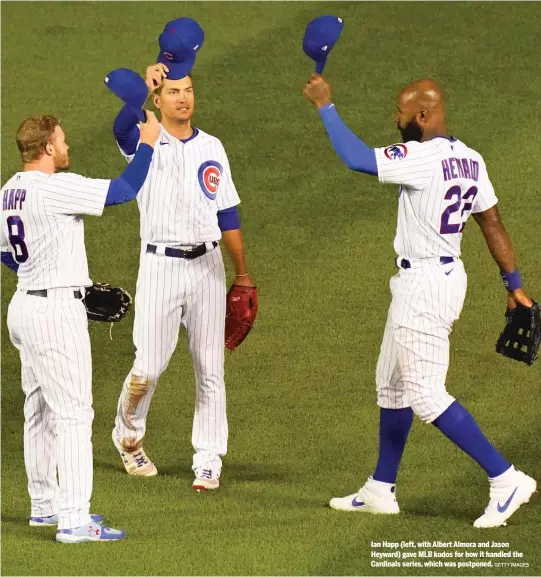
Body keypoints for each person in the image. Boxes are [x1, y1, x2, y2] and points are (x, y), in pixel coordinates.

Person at [302, 74, 537, 528]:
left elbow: (355, 159)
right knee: (391, 384)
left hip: (425, 285)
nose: (395, 118)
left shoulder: (420, 157)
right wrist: (514, 283)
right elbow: (491, 222)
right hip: (441, 277)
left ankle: (506, 478)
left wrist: (325, 105)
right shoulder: (470, 159)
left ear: (423, 116)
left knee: (426, 394)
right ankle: (380, 489)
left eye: (401, 112)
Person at [1, 110, 161, 542]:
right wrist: (147, 141)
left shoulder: (8, 192)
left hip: (23, 307)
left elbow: (6, 255)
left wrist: (46, 271)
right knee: (74, 416)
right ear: (48, 147)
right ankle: (74, 520)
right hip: (53, 315)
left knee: (38, 411)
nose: (68, 147)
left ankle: (44, 507)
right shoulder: (54, 187)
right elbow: (124, 190)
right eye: (63, 141)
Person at [110, 60, 254, 491]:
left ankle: (208, 458)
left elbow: (227, 211)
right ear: (157, 99)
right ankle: (129, 438)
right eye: (173, 91)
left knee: (210, 366)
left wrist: (242, 273)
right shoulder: (144, 139)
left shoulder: (212, 145)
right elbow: (120, 128)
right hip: (160, 267)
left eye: (188, 90)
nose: (183, 97)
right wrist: (138, 92)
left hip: (207, 266)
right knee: (148, 368)